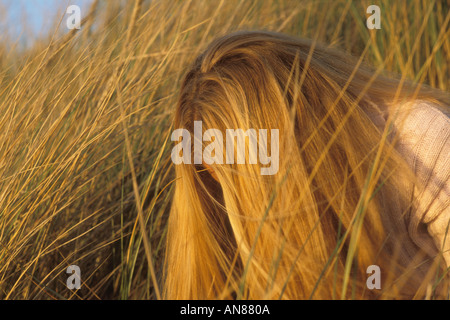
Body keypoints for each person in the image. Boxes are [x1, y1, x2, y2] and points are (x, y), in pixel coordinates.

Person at [164, 31, 450, 299]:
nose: (226, 193)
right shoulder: (206, 187)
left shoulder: (420, 143)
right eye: (211, 172)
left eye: (232, 175)